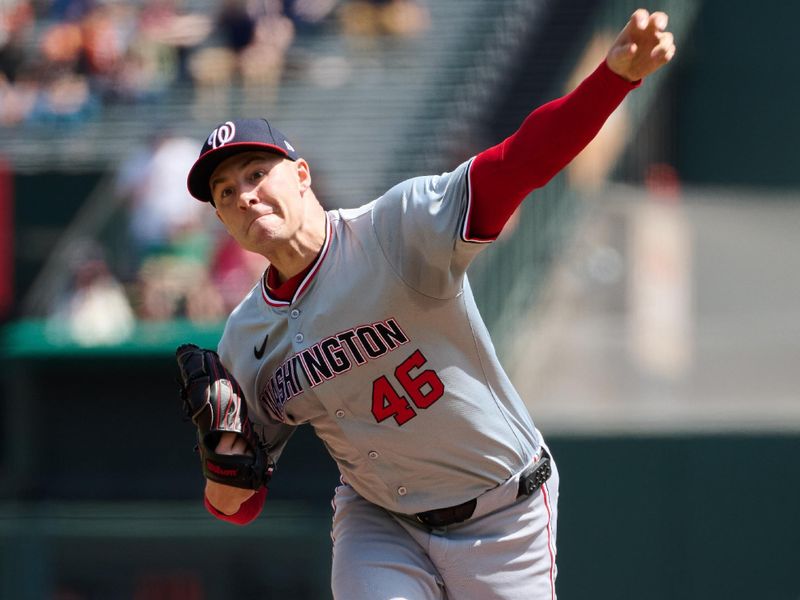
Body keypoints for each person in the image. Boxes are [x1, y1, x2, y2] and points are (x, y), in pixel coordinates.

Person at [182, 9, 675, 599]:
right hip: (379, 519)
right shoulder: (245, 338)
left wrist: (612, 79)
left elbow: (519, 162)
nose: (245, 196)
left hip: (503, 511)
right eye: (226, 192)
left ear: (303, 174)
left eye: (257, 173)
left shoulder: (396, 229)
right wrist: (223, 466)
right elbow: (237, 507)